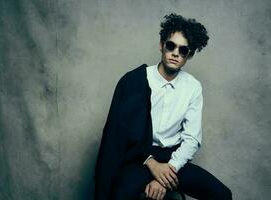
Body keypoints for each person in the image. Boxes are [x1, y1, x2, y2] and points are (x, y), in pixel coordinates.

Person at [94, 13, 232, 200]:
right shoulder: (135, 81)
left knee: (222, 195)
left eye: (183, 50)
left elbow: (192, 139)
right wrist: (150, 163)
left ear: (189, 55)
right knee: (120, 195)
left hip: (173, 159)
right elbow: (118, 135)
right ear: (161, 45)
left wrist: (165, 175)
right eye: (171, 45)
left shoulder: (193, 87)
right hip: (139, 157)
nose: (176, 53)